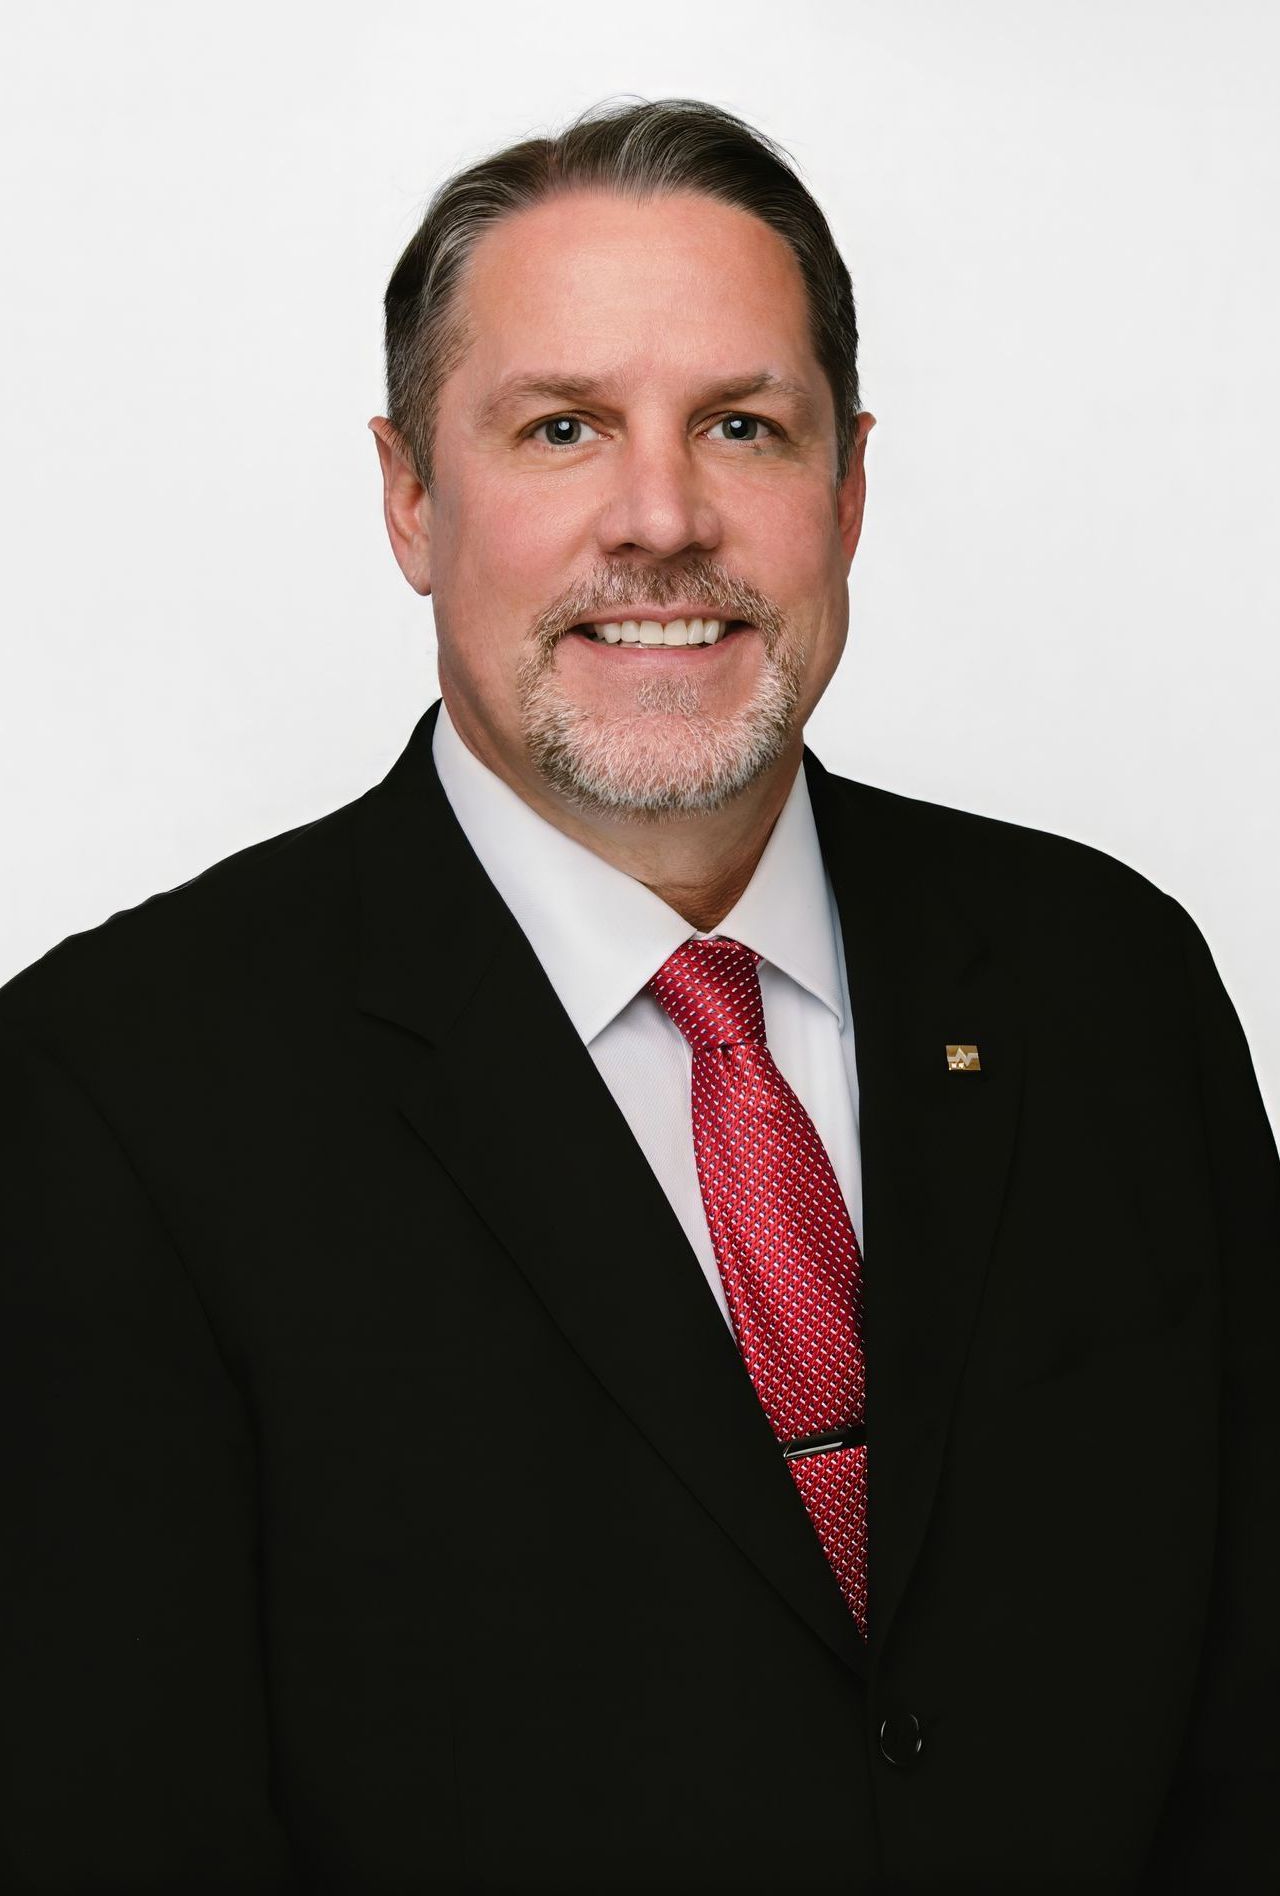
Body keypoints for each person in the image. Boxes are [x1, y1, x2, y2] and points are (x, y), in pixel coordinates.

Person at [1, 96, 1276, 1895]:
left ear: (848, 487)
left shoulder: (1113, 983)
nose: (661, 519)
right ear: (410, 497)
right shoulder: (106, 1096)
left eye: (743, 426)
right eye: (562, 428)